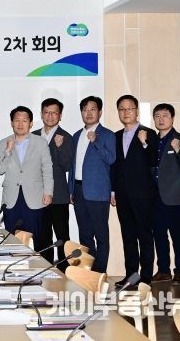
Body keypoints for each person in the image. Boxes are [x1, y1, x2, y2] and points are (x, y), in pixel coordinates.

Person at [111, 94, 158, 285]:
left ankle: (145, 276)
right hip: (122, 195)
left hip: (143, 195)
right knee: (128, 235)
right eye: (122, 109)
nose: (126, 112)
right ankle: (131, 276)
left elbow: (154, 161)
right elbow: (114, 166)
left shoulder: (149, 133)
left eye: (130, 108)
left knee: (144, 235)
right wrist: (113, 191)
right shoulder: (115, 136)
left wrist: (145, 143)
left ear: (136, 111)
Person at [68, 96, 116, 273]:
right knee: (85, 235)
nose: (88, 113)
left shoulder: (108, 135)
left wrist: (95, 141)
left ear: (100, 112)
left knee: (101, 235)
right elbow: (73, 165)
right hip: (78, 190)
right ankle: (89, 270)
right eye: (85, 109)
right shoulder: (76, 136)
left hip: (98, 192)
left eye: (93, 109)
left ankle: (100, 271)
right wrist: (71, 189)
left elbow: (111, 159)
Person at [0, 106, 53, 240]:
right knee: (11, 239)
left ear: (31, 123)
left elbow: (47, 169)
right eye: (17, 120)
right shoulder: (3, 143)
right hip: (11, 199)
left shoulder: (41, 143)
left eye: (24, 120)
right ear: (11, 123)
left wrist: (48, 192)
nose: (20, 124)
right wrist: (8, 151)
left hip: (35, 198)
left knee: (34, 240)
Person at [151, 103, 180, 284]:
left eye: (165, 115)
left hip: (173, 196)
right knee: (159, 234)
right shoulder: (152, 140)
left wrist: (178, 150)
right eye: (157, 116)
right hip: (154, 196)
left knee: (177, 234)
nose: (161, 119)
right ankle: (163, 270)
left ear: (172, 118)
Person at [32, 98, 74, 269]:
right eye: (47, 112)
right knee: (41, 237)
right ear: (41, 114)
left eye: (54, 113)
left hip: (58, 196)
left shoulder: (66, 137)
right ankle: (44, 270)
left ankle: (64, 271)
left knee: (62, 237)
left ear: (60, 115)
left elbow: (67, 165)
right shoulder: (33, 136)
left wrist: (59, 147)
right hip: (36, 196)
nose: (50, 116)